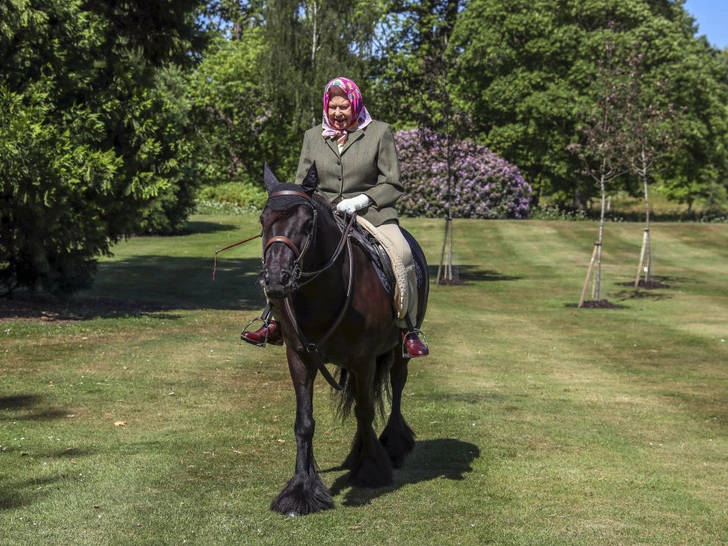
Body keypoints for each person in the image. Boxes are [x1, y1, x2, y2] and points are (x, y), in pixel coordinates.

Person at [242, 77, 428, 358]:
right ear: (326, 107)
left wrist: (362, 200)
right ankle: (275, 321)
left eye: (344, 107)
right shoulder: (312, 136)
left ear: (355, 104)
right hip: (323, 214)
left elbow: (392, 182)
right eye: (333, 107)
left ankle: (407, 329)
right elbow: (303, 185)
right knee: (282, 254)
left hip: (372, 213)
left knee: (402, 253)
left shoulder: (379, 132)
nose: (338, 113)